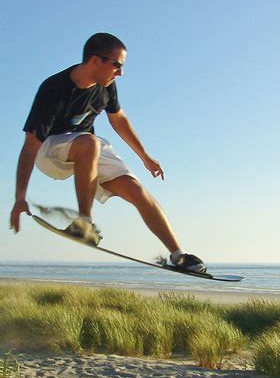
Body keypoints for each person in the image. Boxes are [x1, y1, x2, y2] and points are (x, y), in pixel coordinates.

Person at [9, 32, 206, 274]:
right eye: (117, 65)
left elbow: (119, 119)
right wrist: (20, 196)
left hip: (84, 148)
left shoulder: (106, 87)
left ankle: (178, 254)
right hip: (48, 150)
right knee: (89, 143)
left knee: (137, 190)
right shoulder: (54, 89)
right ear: (95, 61)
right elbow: (30, 145)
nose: (120, 73)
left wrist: (145, 157)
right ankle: (84, 224)